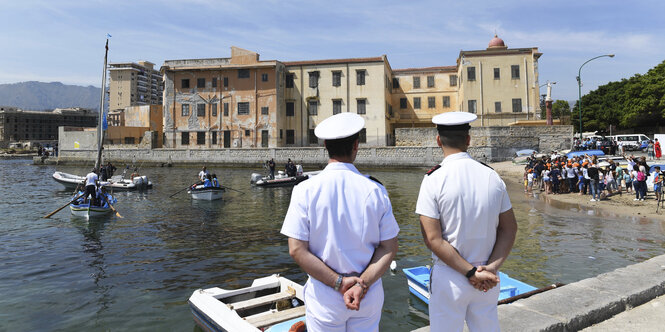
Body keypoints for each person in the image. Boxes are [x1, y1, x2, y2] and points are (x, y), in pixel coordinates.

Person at [281, 112, 399, 332]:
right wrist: (361, 283)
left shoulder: (305, 190)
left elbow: (296, 250)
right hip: (367, 294)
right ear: (356, 145)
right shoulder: (375, 190)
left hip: (325, 297)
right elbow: (389, 247)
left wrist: (339, 282)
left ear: (325, 145)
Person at [416, 112, 517, 331]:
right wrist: (489, 268)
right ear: (468, 140)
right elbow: (509, 228)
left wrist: (471, 272)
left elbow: (432, 239)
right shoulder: (492, 176)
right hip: (488, 276)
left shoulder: (434, 179)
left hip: (450, 276)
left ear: (438, 140)